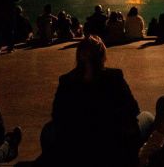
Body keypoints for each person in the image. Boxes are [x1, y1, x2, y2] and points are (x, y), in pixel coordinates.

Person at [42, 36, 143, 166]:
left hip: (77, 147)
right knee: (147, 117)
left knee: (48, 129)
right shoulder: (115, 77)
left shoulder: (66, 81)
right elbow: (134, 109)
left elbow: (57, 115)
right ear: (102, 56)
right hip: (112, 146)